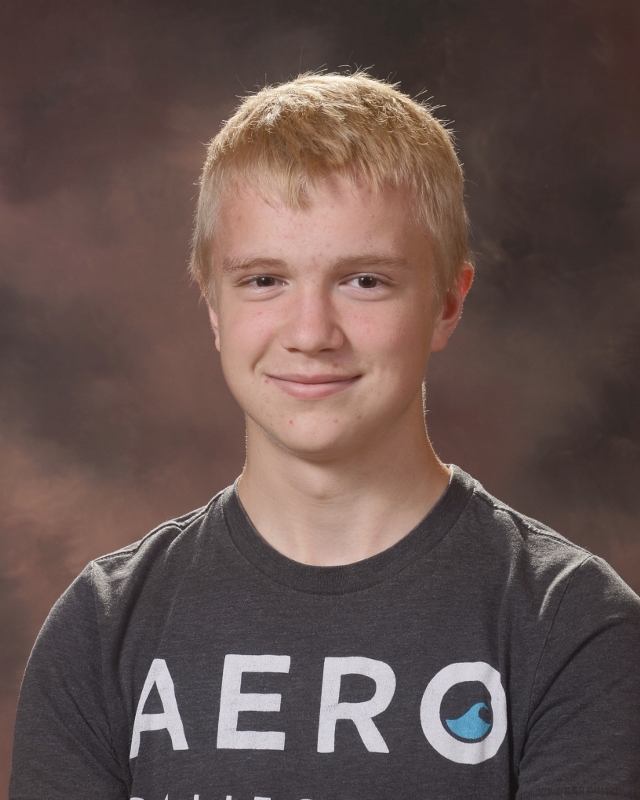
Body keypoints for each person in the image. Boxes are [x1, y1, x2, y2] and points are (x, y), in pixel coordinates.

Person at [10, 72, 640, 800]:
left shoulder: (575, 630)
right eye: (264, 280)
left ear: (447, 303)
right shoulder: (101, 629)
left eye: (364, 280)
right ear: (212, 305)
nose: (311, 334)